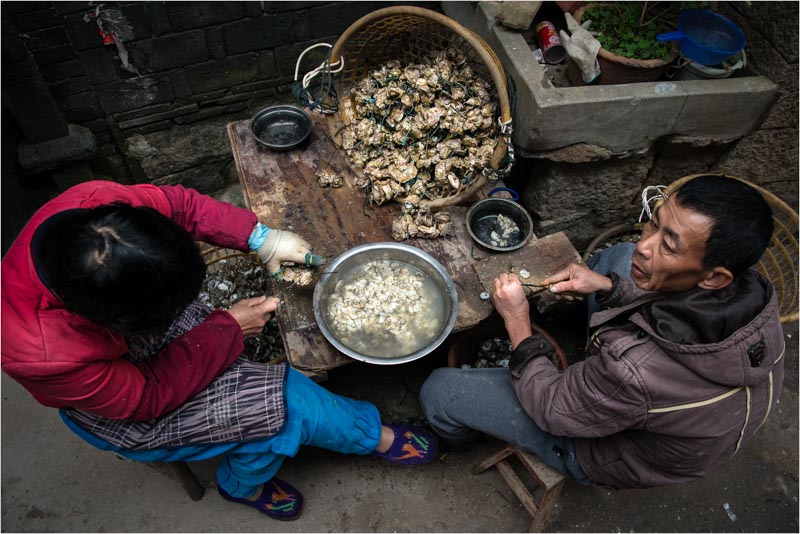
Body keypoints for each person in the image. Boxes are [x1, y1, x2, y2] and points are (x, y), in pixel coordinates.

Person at [1, 180, 437, 521]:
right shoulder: (38, 349)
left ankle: (251, 430)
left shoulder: (97, 211)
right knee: (288, 403)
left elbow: (183, 208)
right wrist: (229, 327)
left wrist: (261, 238)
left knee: (254, 379)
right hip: (123, 406)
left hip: (123, 346)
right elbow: (147, 396)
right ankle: (248, 481)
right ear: (118, 322)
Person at [420, 175, 784, 489]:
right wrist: (609, 288)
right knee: (620, 258)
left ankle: (463, 440)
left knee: (440, 391)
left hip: (607, 452)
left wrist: (517, 320)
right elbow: (671, 308)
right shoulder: (754, 297)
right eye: (653, 224)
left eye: (668, 246)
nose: (646, 245)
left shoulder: (635, 370)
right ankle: (590, 352)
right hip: (661, 404)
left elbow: (553, 408)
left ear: (714, 277)